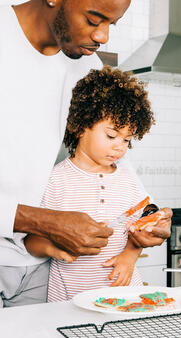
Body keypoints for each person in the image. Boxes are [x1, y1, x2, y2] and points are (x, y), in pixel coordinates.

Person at [0, 0, 171, 316]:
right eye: (94, 19)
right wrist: (45, 221)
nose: (103, 36)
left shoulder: (84, 64)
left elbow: (108, 162)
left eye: (112, 23)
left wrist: (148, 217)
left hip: (43, 265)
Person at [24, 66, 167, 301]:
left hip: (124, 299)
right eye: (112, 135)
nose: (119, 146)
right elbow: (31, 241)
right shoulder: (54, 180)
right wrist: (55, 248)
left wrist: (129, 256)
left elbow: (141, 229)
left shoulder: (127, 179)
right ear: (80, 125)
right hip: (70, 302)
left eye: (127, 139)